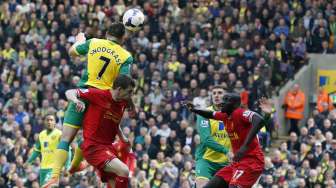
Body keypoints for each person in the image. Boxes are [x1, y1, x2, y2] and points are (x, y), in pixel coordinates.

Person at [44, 22, 134, 187]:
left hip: (85, 94)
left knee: (65, 139)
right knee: (94, 138)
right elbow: (124, 84)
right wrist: (131, 107)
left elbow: (72, 52)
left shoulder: (93, 42)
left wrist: (79, 40)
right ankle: (76, 164)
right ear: (123, 38)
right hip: (102, 101)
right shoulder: (125, 56)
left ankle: (54, 176)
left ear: (107, 33)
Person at [183, 94, 272, 188]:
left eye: (225, 100)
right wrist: (194, 110)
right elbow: (209, 114)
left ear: (234, 105)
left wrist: (244, 146)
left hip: (252, 162)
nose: (222, 103)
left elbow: (259, 120)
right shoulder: (224, 116)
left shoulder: (240, 113)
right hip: (237, 162)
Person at [65, 75, 135, 188]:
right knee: (124, 171)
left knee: (113, 182)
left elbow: (114, 121)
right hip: (94, 147)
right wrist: (76, 101)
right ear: (119, 89)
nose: (130, 95)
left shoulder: (122, 103)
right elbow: (70, 92)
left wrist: (122, 137)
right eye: (129, 92)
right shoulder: (98, 95)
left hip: (108, 147)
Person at [195, 86, 231, 188]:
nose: (216, 95)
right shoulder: (204, 113)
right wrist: (226, 151)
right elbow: (206, 139)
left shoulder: (234, 114)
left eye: (220, 93)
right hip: (206, 160)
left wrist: (267, 116)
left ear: (226, 97)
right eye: (214, 93)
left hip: (226, 162)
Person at [24, 114, 71, 186]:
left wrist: (67, 167)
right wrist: (28, 161)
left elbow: (68, 150)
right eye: (47, 120)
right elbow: (37, 151)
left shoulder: (59, 134)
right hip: (43, 168)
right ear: (44, 122)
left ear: (55, 122)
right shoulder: (41, 135)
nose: (49, 122)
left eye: (51, 120)